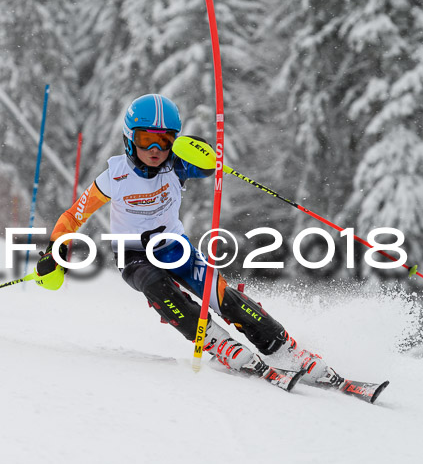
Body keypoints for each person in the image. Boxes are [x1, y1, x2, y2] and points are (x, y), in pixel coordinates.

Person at [35, 93, 342, 389]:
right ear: (129, 139)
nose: (156, 148)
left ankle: (283, 347)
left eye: (165, 140)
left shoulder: (176, 166)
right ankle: (213, 339)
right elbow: (74, 216)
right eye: (146, 140)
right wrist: (56, 251)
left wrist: (206, 151)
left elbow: (208, 166)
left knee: (220, 295)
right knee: (157, 286)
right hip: (133, 255)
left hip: (174, 247)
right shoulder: (113, 176)